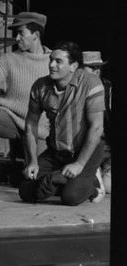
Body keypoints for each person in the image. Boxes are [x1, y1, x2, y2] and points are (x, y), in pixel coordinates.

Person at [0, 11, 51, 192]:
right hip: (11, 117)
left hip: (40, 128)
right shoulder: (9, 59)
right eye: (15, 33)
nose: (16, 37)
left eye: (21, 33)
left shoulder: (53, 62)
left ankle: (12, 171)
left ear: (36, 36)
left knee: (38, 179)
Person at [19, 41, 106, 206]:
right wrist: (33, 161)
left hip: (85, 152)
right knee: (25, 191)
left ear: (73, 66)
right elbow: (31, 124)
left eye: (58, 61)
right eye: (51, 59)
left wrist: (79, 164)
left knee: (71, 197)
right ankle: (60, 179)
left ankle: (93, 185)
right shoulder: (41, 86)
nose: (51, 65)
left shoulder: (91, 83)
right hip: (56, 153)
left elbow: (97, 127)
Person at [82, 50, 111, 194]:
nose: (96, 72)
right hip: (84, 149)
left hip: (106, 149)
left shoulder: (109, 89)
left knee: (109, 185)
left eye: (98, 68)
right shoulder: (75, 91)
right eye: (91, 68)